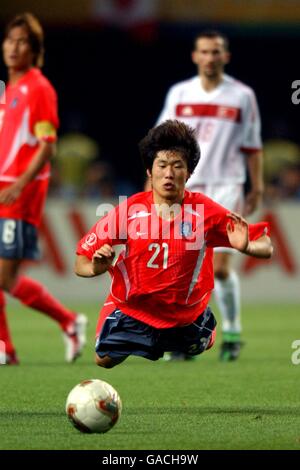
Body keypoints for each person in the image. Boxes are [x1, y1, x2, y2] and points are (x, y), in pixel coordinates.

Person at [75, 120, 272, 369]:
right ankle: (142, 333)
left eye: (178, 166)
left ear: (189, 173)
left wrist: (248, 248)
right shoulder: (129, 210)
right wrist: (96, 268)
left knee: (198, 343)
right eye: (162, 165)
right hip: (136, 309)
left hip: (185, 317)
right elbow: (80, 261)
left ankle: (196, 334)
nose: (169, 174)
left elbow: (266, 245)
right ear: (149, 171)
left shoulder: (204, 211)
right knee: (102, 361)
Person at [155, 30, 264, 361]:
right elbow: (162, 141)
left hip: (227, 185)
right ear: (195, 56)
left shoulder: (242, 96)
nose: (210, 57)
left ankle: (231, 330)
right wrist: (155, 182)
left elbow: (252, 146)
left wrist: (256, 186)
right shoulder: (179, 93)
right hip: (184, 185)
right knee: (179, 265)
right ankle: (183, 338)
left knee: (218, 265)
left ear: (225, 57)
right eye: (204, 51)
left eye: (216, 51)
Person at [0, 13, 87, 365]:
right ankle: (12, 345)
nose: (14, 47)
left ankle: (62, 323)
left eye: (23, 41)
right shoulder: (8, 93)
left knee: (4, 277)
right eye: (10, 39)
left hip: (19, 195)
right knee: (5, 278)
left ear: (34, 50)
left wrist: (19, 185)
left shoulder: (38, 88)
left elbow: (46, 145)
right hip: (4, 189)